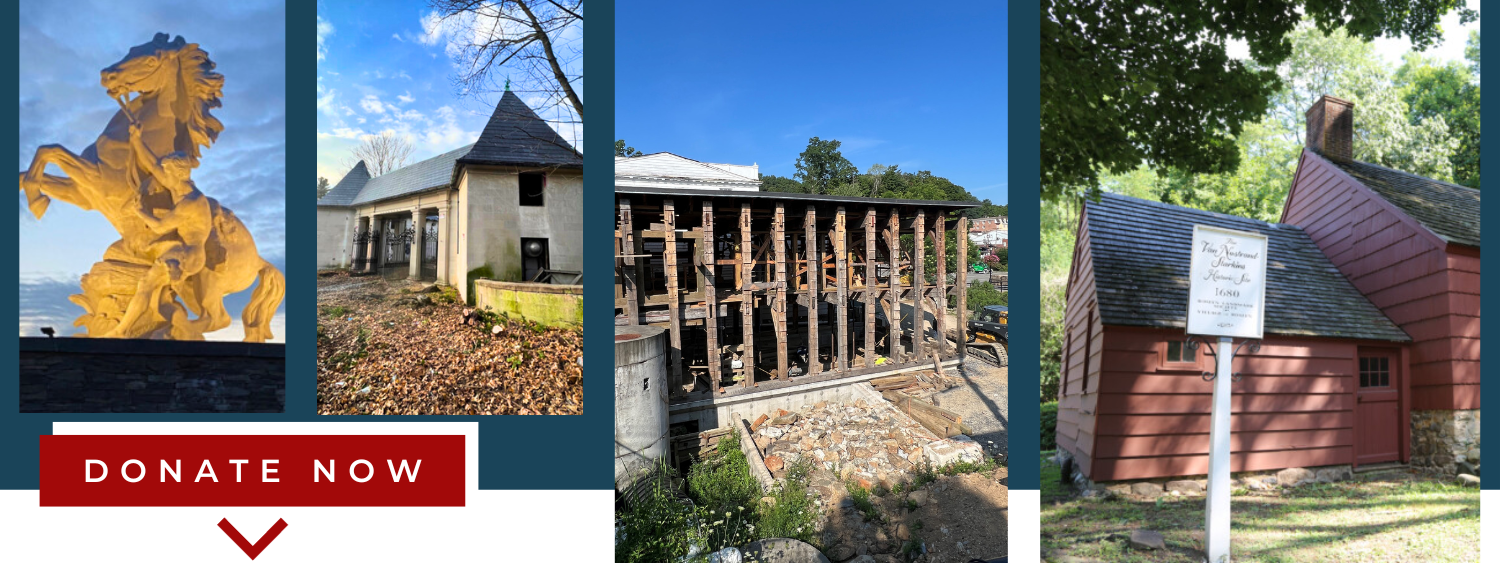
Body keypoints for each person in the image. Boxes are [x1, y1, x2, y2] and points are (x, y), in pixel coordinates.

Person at [106, 122, 214, 337]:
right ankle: (142, 327)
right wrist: (136, 139)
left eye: (167, 171)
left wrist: (139, 210)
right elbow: (154, 165)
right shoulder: (178, 186)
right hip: (179, 248)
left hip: (190, 255)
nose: (163, 174)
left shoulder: (191, 202)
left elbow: (159, 226)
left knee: (146, 284)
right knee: (152, 290)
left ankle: (122, 330)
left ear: (178, 172)